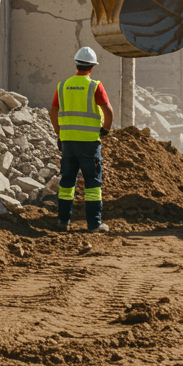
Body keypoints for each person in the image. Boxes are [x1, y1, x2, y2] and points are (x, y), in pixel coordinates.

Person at [49, 46, 114, 233]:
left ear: (76, 64)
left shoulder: (63, 86)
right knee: (92, 183)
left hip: (68, 142)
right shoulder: (94, 86)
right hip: (89, 144)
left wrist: (59, 132)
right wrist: (106, 130)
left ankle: (63, 222)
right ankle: (94, 224)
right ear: (92, 67)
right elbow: (108, 110)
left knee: (67, 181)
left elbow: (53, 110)